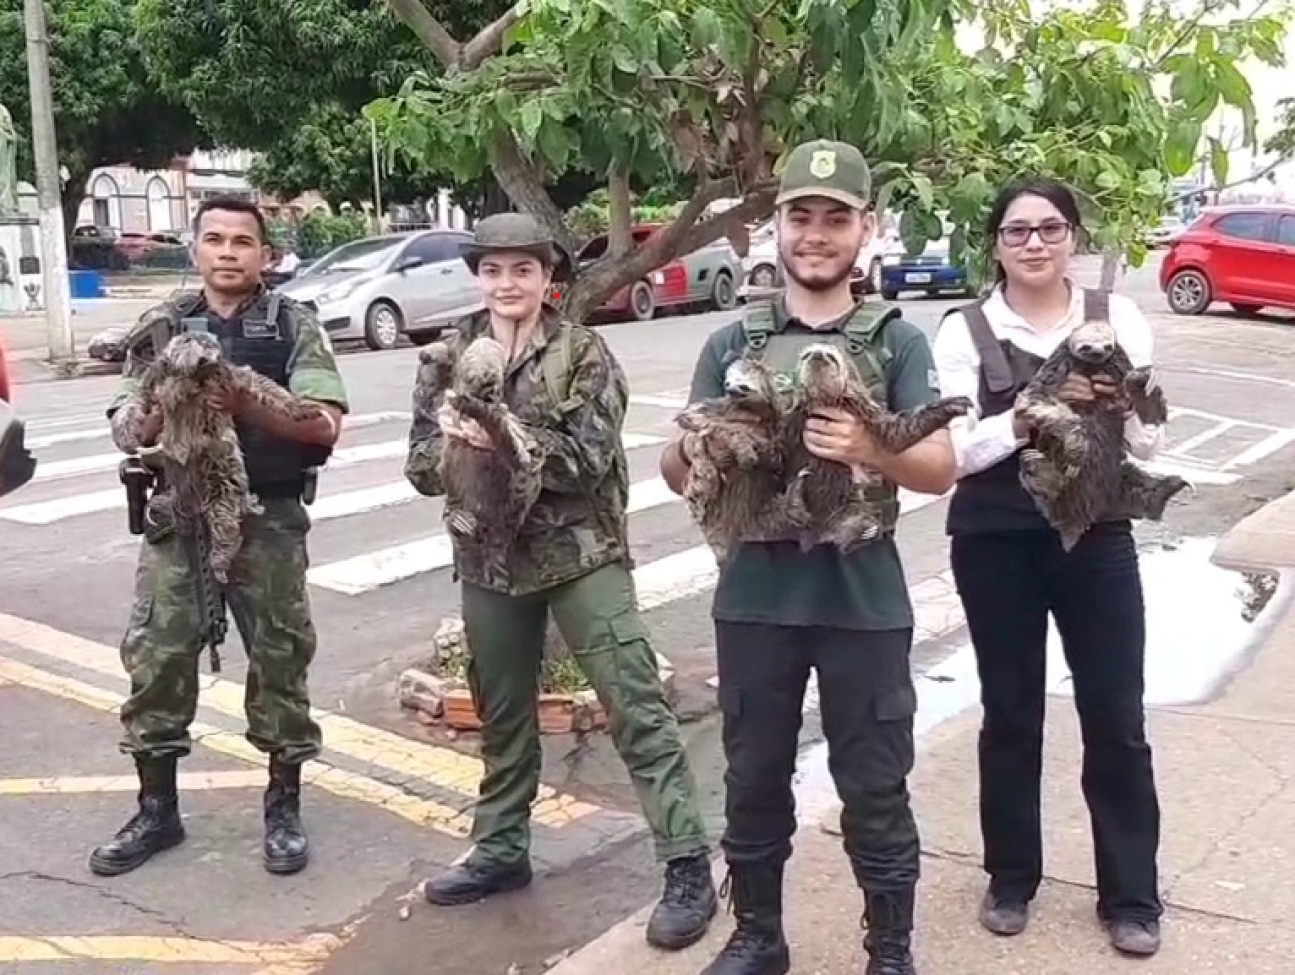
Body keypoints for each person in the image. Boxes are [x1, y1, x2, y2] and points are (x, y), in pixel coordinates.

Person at [660, 140, 957, 975]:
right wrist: (710, 441)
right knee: (753, 777)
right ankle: (759, 934)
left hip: (861, 599)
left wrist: (873, 444)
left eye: (835, 218)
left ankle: (890, 950)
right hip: (756, 595)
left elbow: (937, 468)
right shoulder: (731, 341)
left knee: (874, 784)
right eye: (801, 216)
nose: (816, 234)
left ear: (866, 229)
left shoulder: (896, 341)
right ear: (775, 227)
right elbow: (675, 466)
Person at [403, 212, 718, 951]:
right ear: (478, 276)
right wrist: (454, 445)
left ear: (549, 278)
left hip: (580, 555)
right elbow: (420, 467)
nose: (508, 283)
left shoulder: (584, 354)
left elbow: (585, 458)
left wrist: (504, 438)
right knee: (502, 715)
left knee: (634, 704)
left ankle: (685, 863)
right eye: (493, 269)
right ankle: (501, 848)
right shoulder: (446, 356)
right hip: (488, 561)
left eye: (524, 269)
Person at [930, 178, 1165, 957]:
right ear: (994, 243)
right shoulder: (965, 330)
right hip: (996, 539)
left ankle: (1131, 895)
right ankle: (1010, 878)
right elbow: (955, 452)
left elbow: (1149, 444)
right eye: (1017, 230)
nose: (1035, 243)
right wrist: (1030, 411)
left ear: (1073, 237)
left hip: (1097, 537)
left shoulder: (1116, 319)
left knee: (1116, 716)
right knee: (1010, 715)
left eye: (1050, 228)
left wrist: (1122, 403)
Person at [90, 197, 349, 879]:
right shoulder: (164, 326)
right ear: (195, 249)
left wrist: (245, 398)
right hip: (179, 519)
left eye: (243, 241)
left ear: (266, 254)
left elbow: (324, 424)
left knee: (280, 658)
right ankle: (156, 809)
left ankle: (283, 805)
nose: (229, 252)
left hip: (266, 516)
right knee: (156, 657)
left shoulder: (293, 324)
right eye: (214, 239)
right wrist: (162, 398)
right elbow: (126, 422)